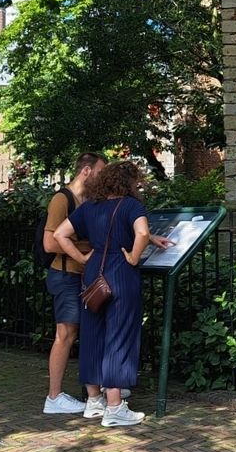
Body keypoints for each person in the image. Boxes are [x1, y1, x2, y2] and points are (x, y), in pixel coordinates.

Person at [52, 161, 171, 427]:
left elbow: (60, 234)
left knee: (93, 333)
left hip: (93, 272)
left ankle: (94, 402)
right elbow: (139, 232)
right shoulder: (132, 205)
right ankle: (115, 406)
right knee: (120, 334)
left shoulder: (89, 207)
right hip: (120, 272)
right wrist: (134, 256)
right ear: (128, 182)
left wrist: (82, 258)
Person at [41, 151, 108, 415]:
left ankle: (93, 388)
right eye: (101, 172)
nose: (103, 178)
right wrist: (81, 254)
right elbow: (49, 243)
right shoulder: (62, 199)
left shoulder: (89, 201)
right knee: (65, 334)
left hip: (82, 276)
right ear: (87, 171)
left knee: (85, 332)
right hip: (66, 275)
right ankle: (54, 397)